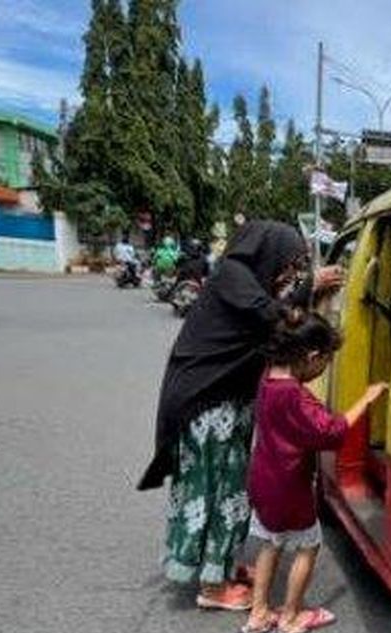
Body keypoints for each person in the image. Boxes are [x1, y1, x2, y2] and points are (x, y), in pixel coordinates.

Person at [138, 221, 344, 611]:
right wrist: (311, 285)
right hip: (207, 403)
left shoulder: (247, 281)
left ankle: (222, 568)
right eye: (288, 263)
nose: (288, 273)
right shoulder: (233, 275)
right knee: (216, 492)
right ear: (268, 252)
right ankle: (213, 587)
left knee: (229, 488)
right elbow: (271, 316)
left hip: (223, 401)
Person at [239, 312, 387, 633]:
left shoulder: (267, 377)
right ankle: (290, 617)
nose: (324, 369)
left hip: (263, 479)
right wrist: (366, 399)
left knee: (270, 542)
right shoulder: (293, 394)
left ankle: (259, 613)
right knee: (309, 545)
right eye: (326, 362)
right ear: (311, 357)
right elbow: (331, 432)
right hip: (289, 485)